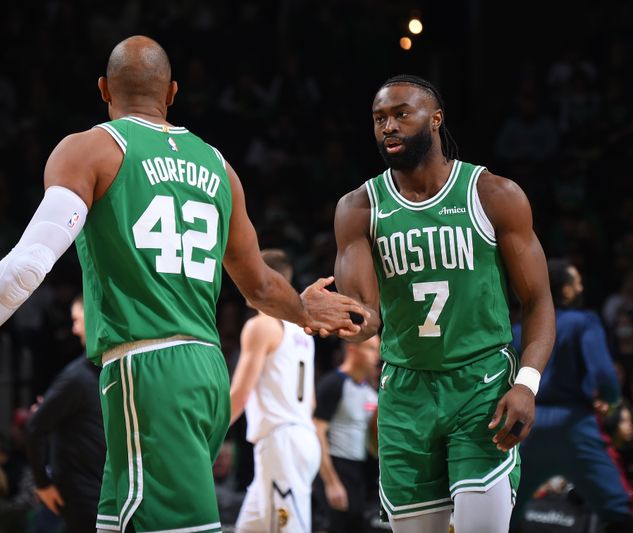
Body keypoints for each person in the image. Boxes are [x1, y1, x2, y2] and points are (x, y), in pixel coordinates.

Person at [0, 35, 365, 533]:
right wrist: (303, 310)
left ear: (104, 89)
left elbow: (25, 268)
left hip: (148, 369)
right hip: (207, 368)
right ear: (171, 93)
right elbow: (258, 284)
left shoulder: (89, 149)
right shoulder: (218, 166)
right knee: (120, 522)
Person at [333, 74, 555, 533]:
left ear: (435, 119)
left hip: (481, 384)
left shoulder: (493, 194)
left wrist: (528, 384)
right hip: (405, 390)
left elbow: (537, 302)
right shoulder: (358, 207)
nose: (388, 127)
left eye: (400, 114)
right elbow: (366, 316)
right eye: (379, 119)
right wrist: (330, 314)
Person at [510, 259, 633, 533]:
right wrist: (610, 399)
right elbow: (605, 375)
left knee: (507, 509)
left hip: (527, 427)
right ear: (567, 291)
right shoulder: (583, 323)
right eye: (577, 282)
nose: (581, 287)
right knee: (618, 508)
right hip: (574, 425)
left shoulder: (518, 330)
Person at [229, 249, 321, 533]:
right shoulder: (301, 329)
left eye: (248, 273)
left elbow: (240, 394)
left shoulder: (261, 326)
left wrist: (206, 436)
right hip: (299, 438)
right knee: (249, 528)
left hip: (282, 443)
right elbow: (312, 402)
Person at [24, 294, 104, 533]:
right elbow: (35, 426)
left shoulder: (115, 371)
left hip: (110, 489)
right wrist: (42, 483)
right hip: (83, 494)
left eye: (77, 320)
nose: (75, 329)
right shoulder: (76, 378)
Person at [313, 335, 380, 533]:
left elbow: (373, 444)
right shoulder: (333, 384)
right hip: (335, 468)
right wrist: (331, 483)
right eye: (371, 349)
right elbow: (317, 432)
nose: (376, 356)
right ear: (352, 349)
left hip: (358, 473)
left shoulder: (370, 393)